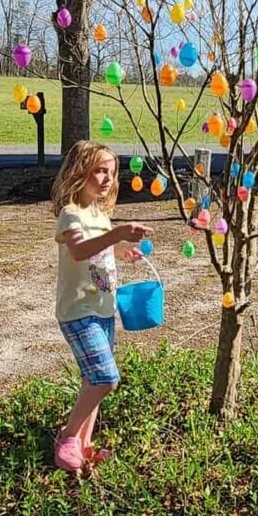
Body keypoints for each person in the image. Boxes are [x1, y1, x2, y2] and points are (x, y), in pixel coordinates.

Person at [51, 140, 151, 473]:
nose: (107, 178)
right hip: (79, 311)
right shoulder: (71, 214)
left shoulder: (100, 215)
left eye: (111, 171)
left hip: (104, 310)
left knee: (91, 379)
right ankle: (66, 438)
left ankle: (85, 444)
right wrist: (115, 235)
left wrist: (122, 248)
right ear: (80, 172)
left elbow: (103, 249)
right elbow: (80, 251)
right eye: (99, 170)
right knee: (105, 379)